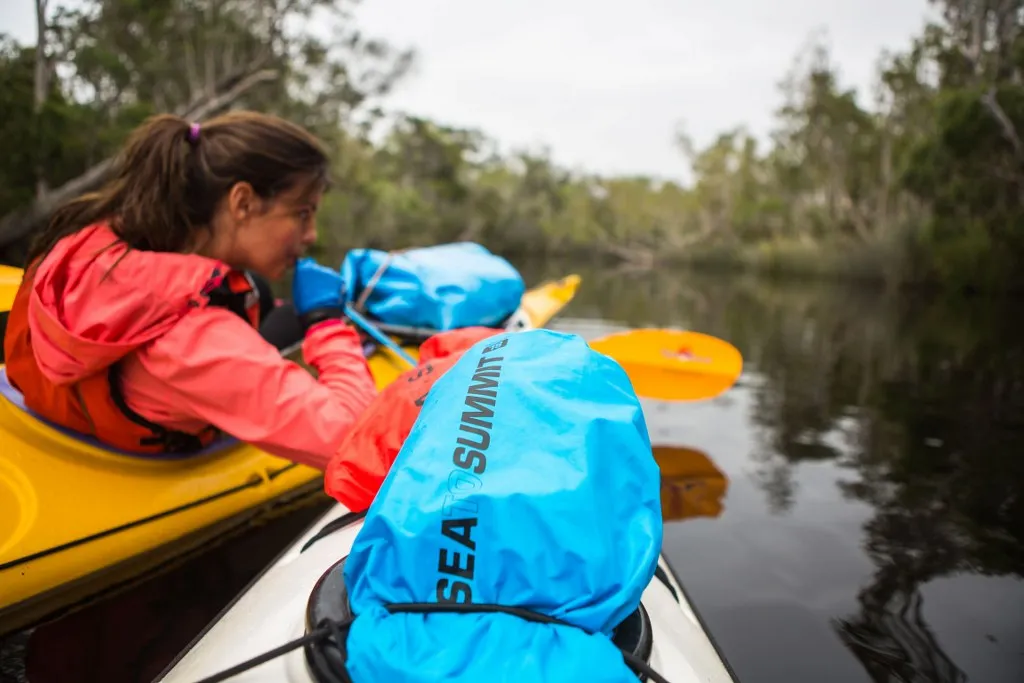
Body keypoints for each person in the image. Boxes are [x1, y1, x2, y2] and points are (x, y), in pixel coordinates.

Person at [2, 111, 378, 469]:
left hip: (83, 402)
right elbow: (360, 446)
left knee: (259, 294)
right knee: (281, 311)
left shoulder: (103, 241)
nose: (311, 235)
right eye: (302, 213)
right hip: (167, 394)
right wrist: (326, 324)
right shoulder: (193, 340)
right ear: (242, 202)